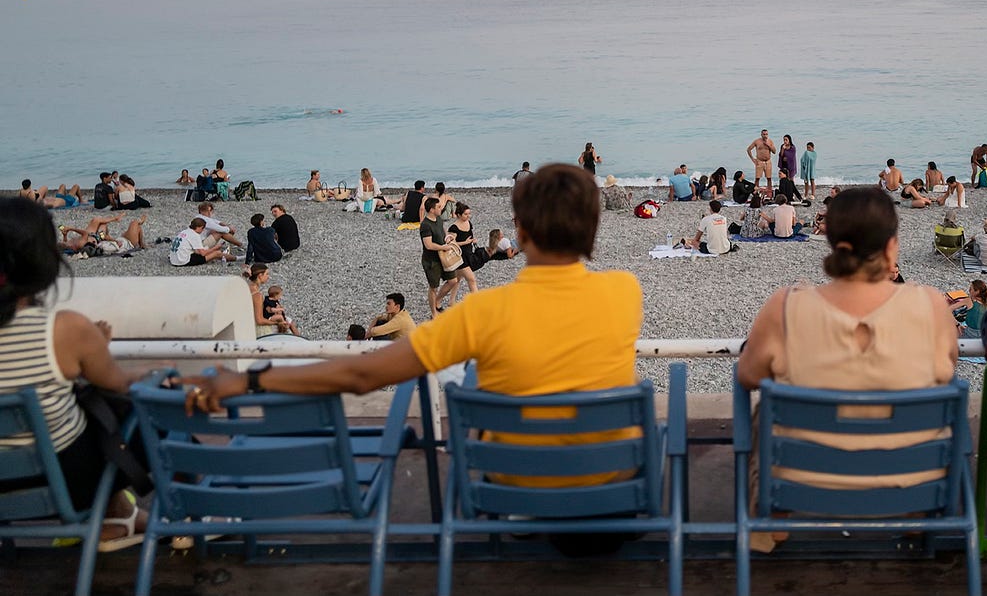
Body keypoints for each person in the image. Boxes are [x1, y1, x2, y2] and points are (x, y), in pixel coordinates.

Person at [180, 163, 646, 555]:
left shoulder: (484, 313)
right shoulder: (625, 291)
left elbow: (364, 371)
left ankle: (524, 501)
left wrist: (249, 380)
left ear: (520, 233)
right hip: (613, 498)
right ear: (592, 228)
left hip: (520, 484)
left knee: (476, 373)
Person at [736, 187, 959, 553]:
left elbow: (747, 376)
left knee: (766, 411)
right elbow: (946, 372)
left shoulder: (786, 307)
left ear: (831, 239)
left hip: (803, 480)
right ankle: (917, 519)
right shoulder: (931, 306)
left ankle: (770, 522)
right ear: (891, 247)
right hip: (910, 479)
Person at [0, 197, 159, 551]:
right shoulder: (63, 330)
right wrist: (97, 347)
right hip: (61, 482)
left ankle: (117, 519)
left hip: (6, 489)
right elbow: (117, 383)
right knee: (133, 410)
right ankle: (188, 513)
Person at [418, 196, 458, 317]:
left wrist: (448, 237)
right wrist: (443, 247)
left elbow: (443, 230)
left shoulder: (438, 218)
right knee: (433, 287)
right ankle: (434, 312)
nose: (441, 208)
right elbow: (428, 245)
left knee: (453, 281)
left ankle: (437, 301)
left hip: (444, 257)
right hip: (431, 260)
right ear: (431, 209)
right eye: (439, 207)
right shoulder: (425, 225)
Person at [57, 214, 148, 255]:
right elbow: (84, 233)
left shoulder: (68, 244)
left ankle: (115, 219)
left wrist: (65, 235)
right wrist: (70, 228)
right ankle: (141, 242)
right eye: (63, 243)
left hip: (102, 238)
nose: (64, 242)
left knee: (97, 220)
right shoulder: (79, 244)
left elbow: (66, 242)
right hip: (124, 242)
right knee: (135, 223)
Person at [445, 203, 482, 293]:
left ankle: (450, 301)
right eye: (466, 214)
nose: (468, 216)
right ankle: (478, 302)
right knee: (471, 279)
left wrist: (473, 240)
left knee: (456, 280)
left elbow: (470, 236)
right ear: (458, 215)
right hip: (459, 256)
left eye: (469, 214)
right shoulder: (454, 228)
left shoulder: (468, 223)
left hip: (469, 254)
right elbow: (450, 243)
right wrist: (465, 242)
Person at [244, 265, 285, 338]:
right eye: (267, 274)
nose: (268, 277)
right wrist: (276, 323)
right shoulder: (257, 295)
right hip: (257, 329)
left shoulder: (246, 286)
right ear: (260, 275)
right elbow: (259, 320)